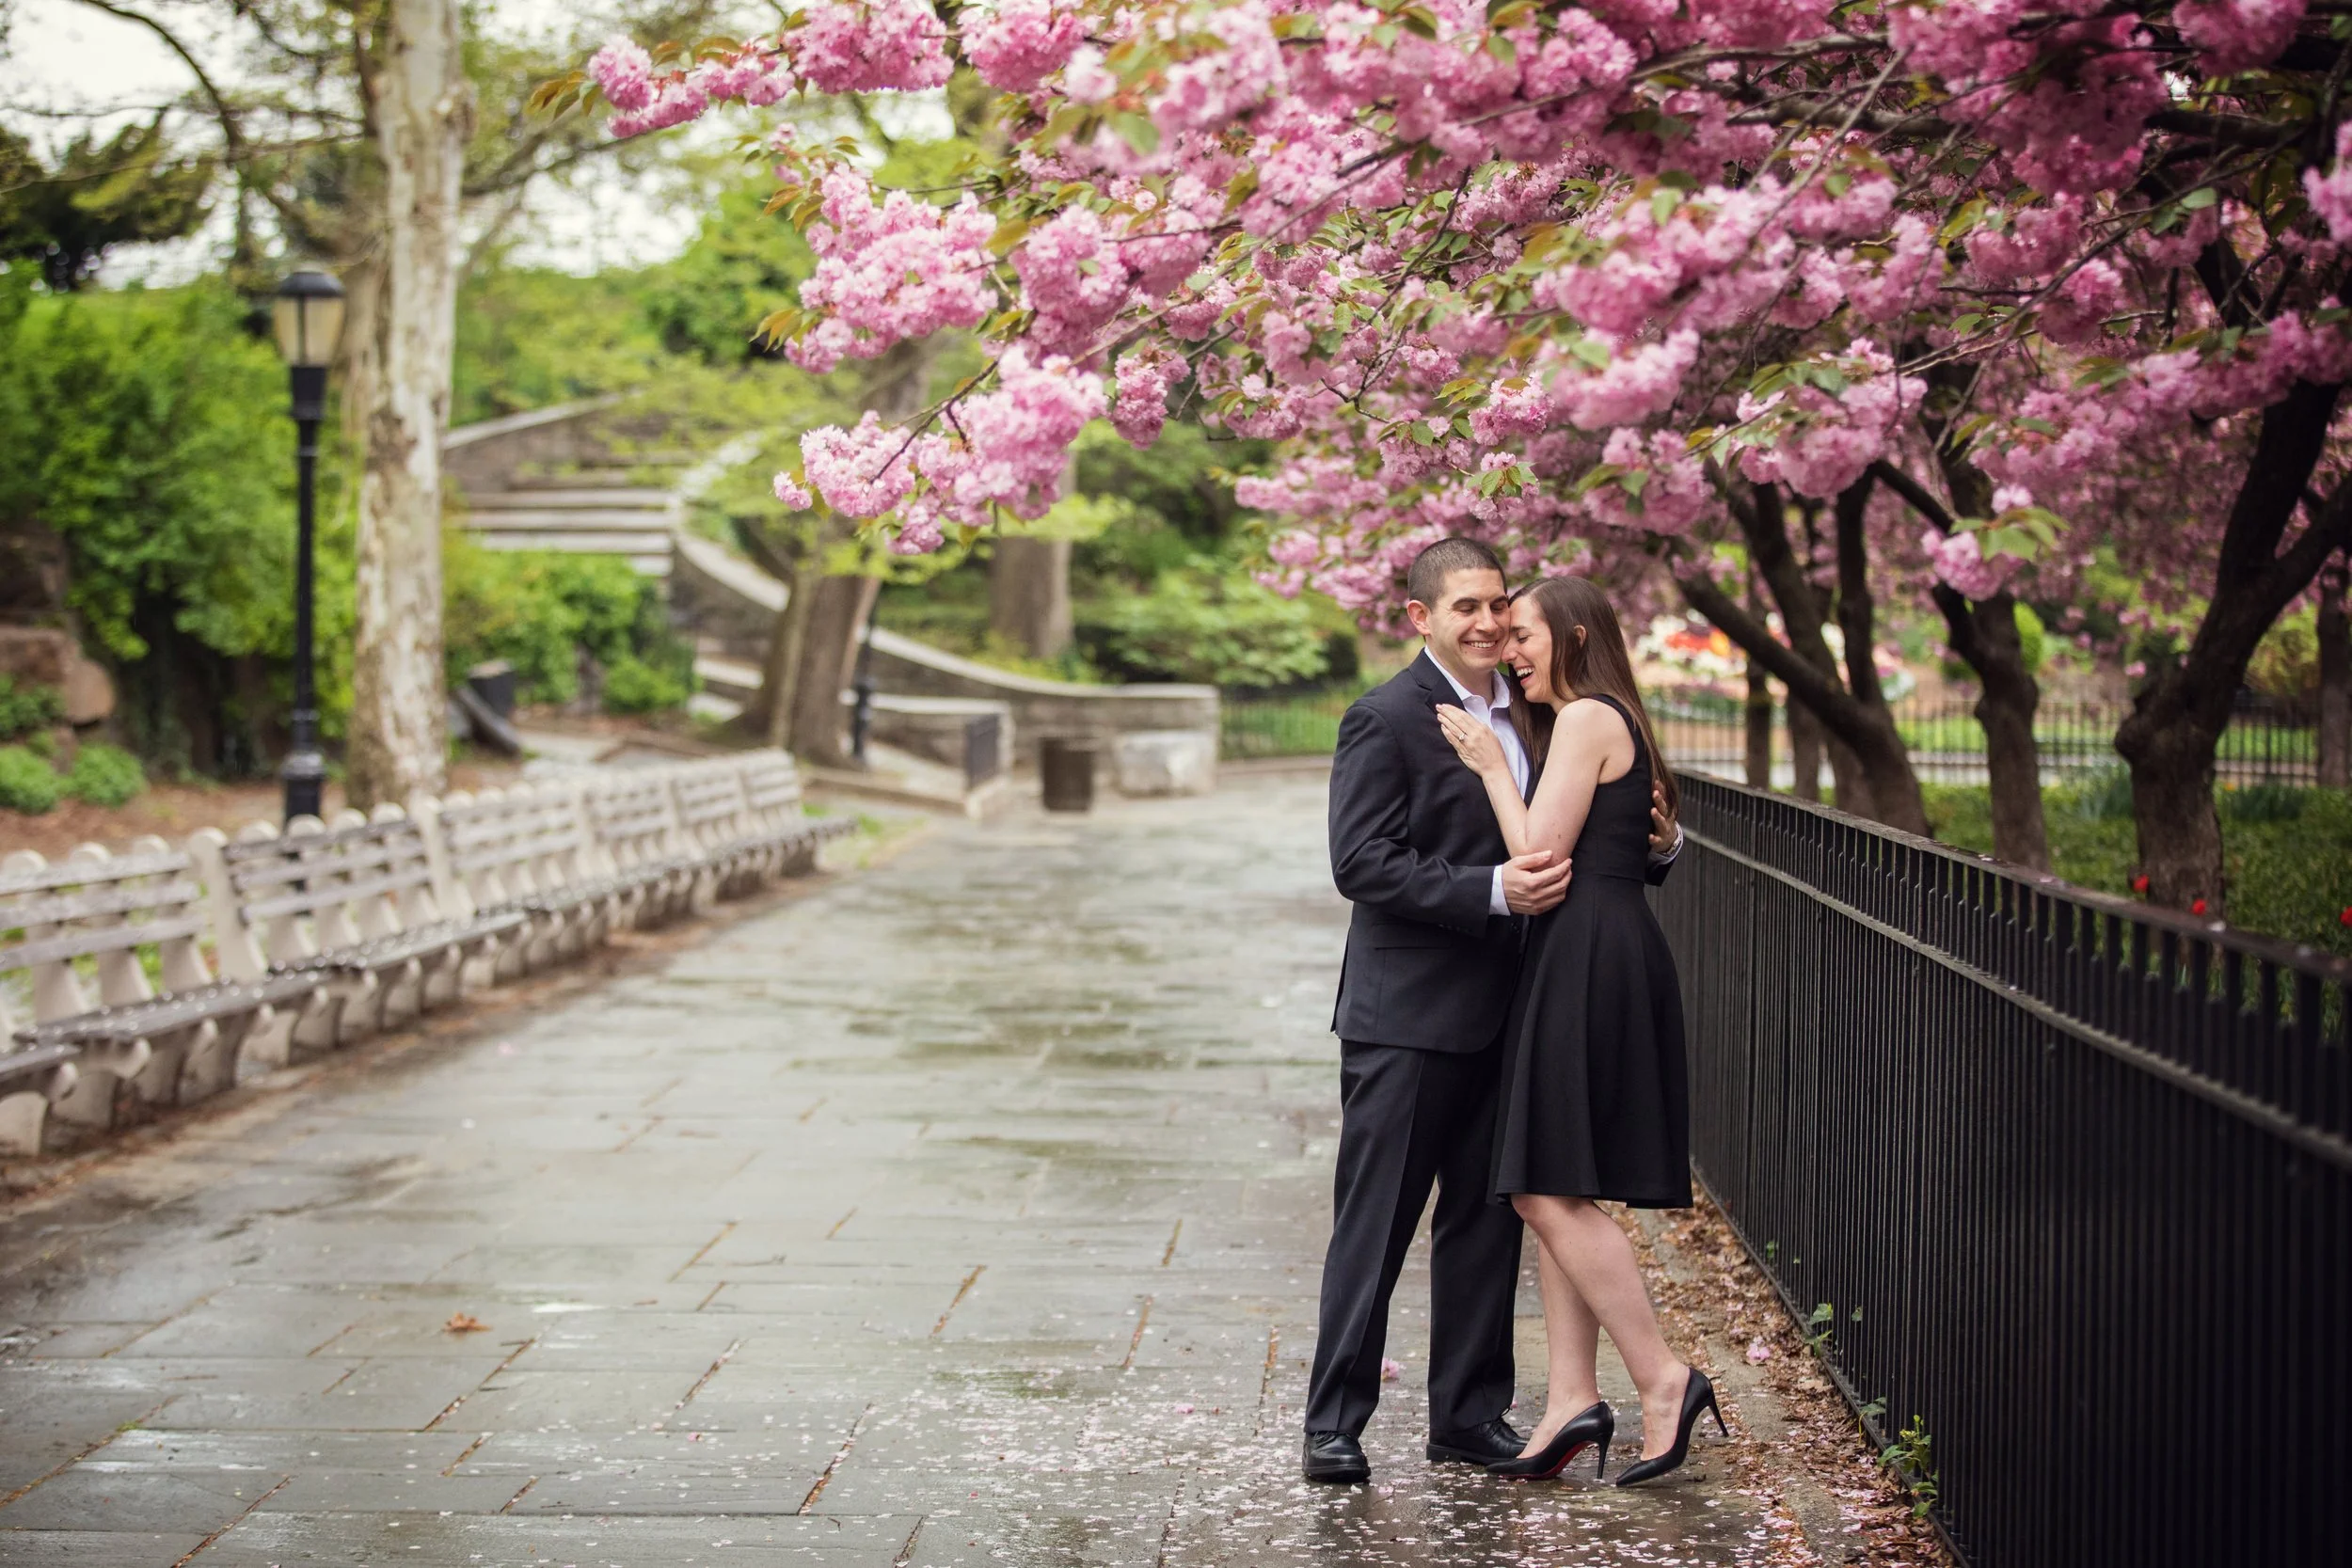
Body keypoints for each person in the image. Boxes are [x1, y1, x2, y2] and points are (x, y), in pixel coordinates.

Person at [1304, 539, 1680, 1485]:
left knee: (1488, 1224)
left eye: (1497, 608)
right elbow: (1362, 862)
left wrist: (1659, 846)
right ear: (1420, 616)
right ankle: (1334, 1420)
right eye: (1464, 607)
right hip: (1409, 1015)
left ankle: (1469, 1415)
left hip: (1520, 1011)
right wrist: (1490, 890)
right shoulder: (1384, 717)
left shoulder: (1537, 711)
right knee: (1376, 1222)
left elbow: (1587, 820)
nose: (1485, 625)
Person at [1436, 575, 1722, 1487]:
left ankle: (1662, 1376)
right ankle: (1568, 1399)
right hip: (1577, 952)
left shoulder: (1591, 716)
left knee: (1540, 1191)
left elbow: (1535, 856)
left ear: (1575, 633)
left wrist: (1487, 765)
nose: (1509, 648)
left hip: (1590, 954)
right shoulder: (1581, 722)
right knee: (1553, 1178)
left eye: (1523, 633)